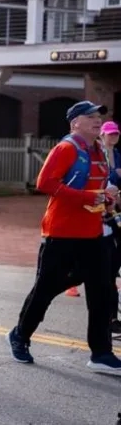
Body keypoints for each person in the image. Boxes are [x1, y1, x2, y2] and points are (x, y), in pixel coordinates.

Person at [7, 101, 121, 375]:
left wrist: (107, 199)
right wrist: (88, 197)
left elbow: (97, 188)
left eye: (98, 117)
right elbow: (45, 183)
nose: (96, 121)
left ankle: (101, 353)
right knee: (45, 288)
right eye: (89, 116)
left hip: (94, 233)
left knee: (102, 293)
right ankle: (20, 335)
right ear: (75, 124)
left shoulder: (100, 151)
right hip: (60, 233)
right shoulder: (67, 148)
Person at [101, 121, 121, 334]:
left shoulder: (117, 153)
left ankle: (113, 319)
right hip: (104, 215)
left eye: (116, 134)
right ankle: (110, 319)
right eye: (110, 134)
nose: (113, 137)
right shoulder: (98, 154)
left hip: (115, 214)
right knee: (106, 272)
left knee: (112, 269)